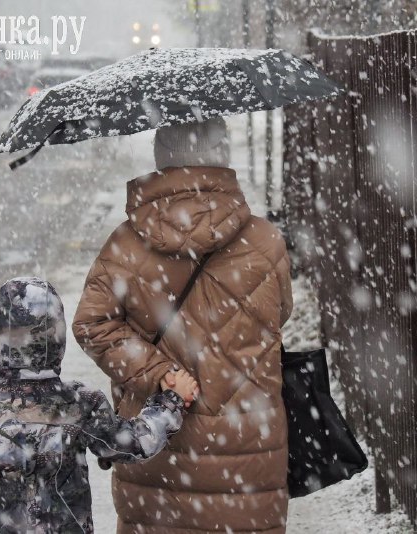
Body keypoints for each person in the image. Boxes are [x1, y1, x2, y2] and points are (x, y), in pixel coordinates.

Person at [73, 117, 294, 534]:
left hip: (160, 445)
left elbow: (93, 325)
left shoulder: (126, 245)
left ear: (161, 159)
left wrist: (161, 374)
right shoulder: (264, 241)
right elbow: (280, 313)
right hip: (247, 449)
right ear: (221, 157)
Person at [0, 277, 198, 534]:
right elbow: (136, 442)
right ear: (57, 337)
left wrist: (4, 489)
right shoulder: (80, 404)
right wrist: (171, 401)